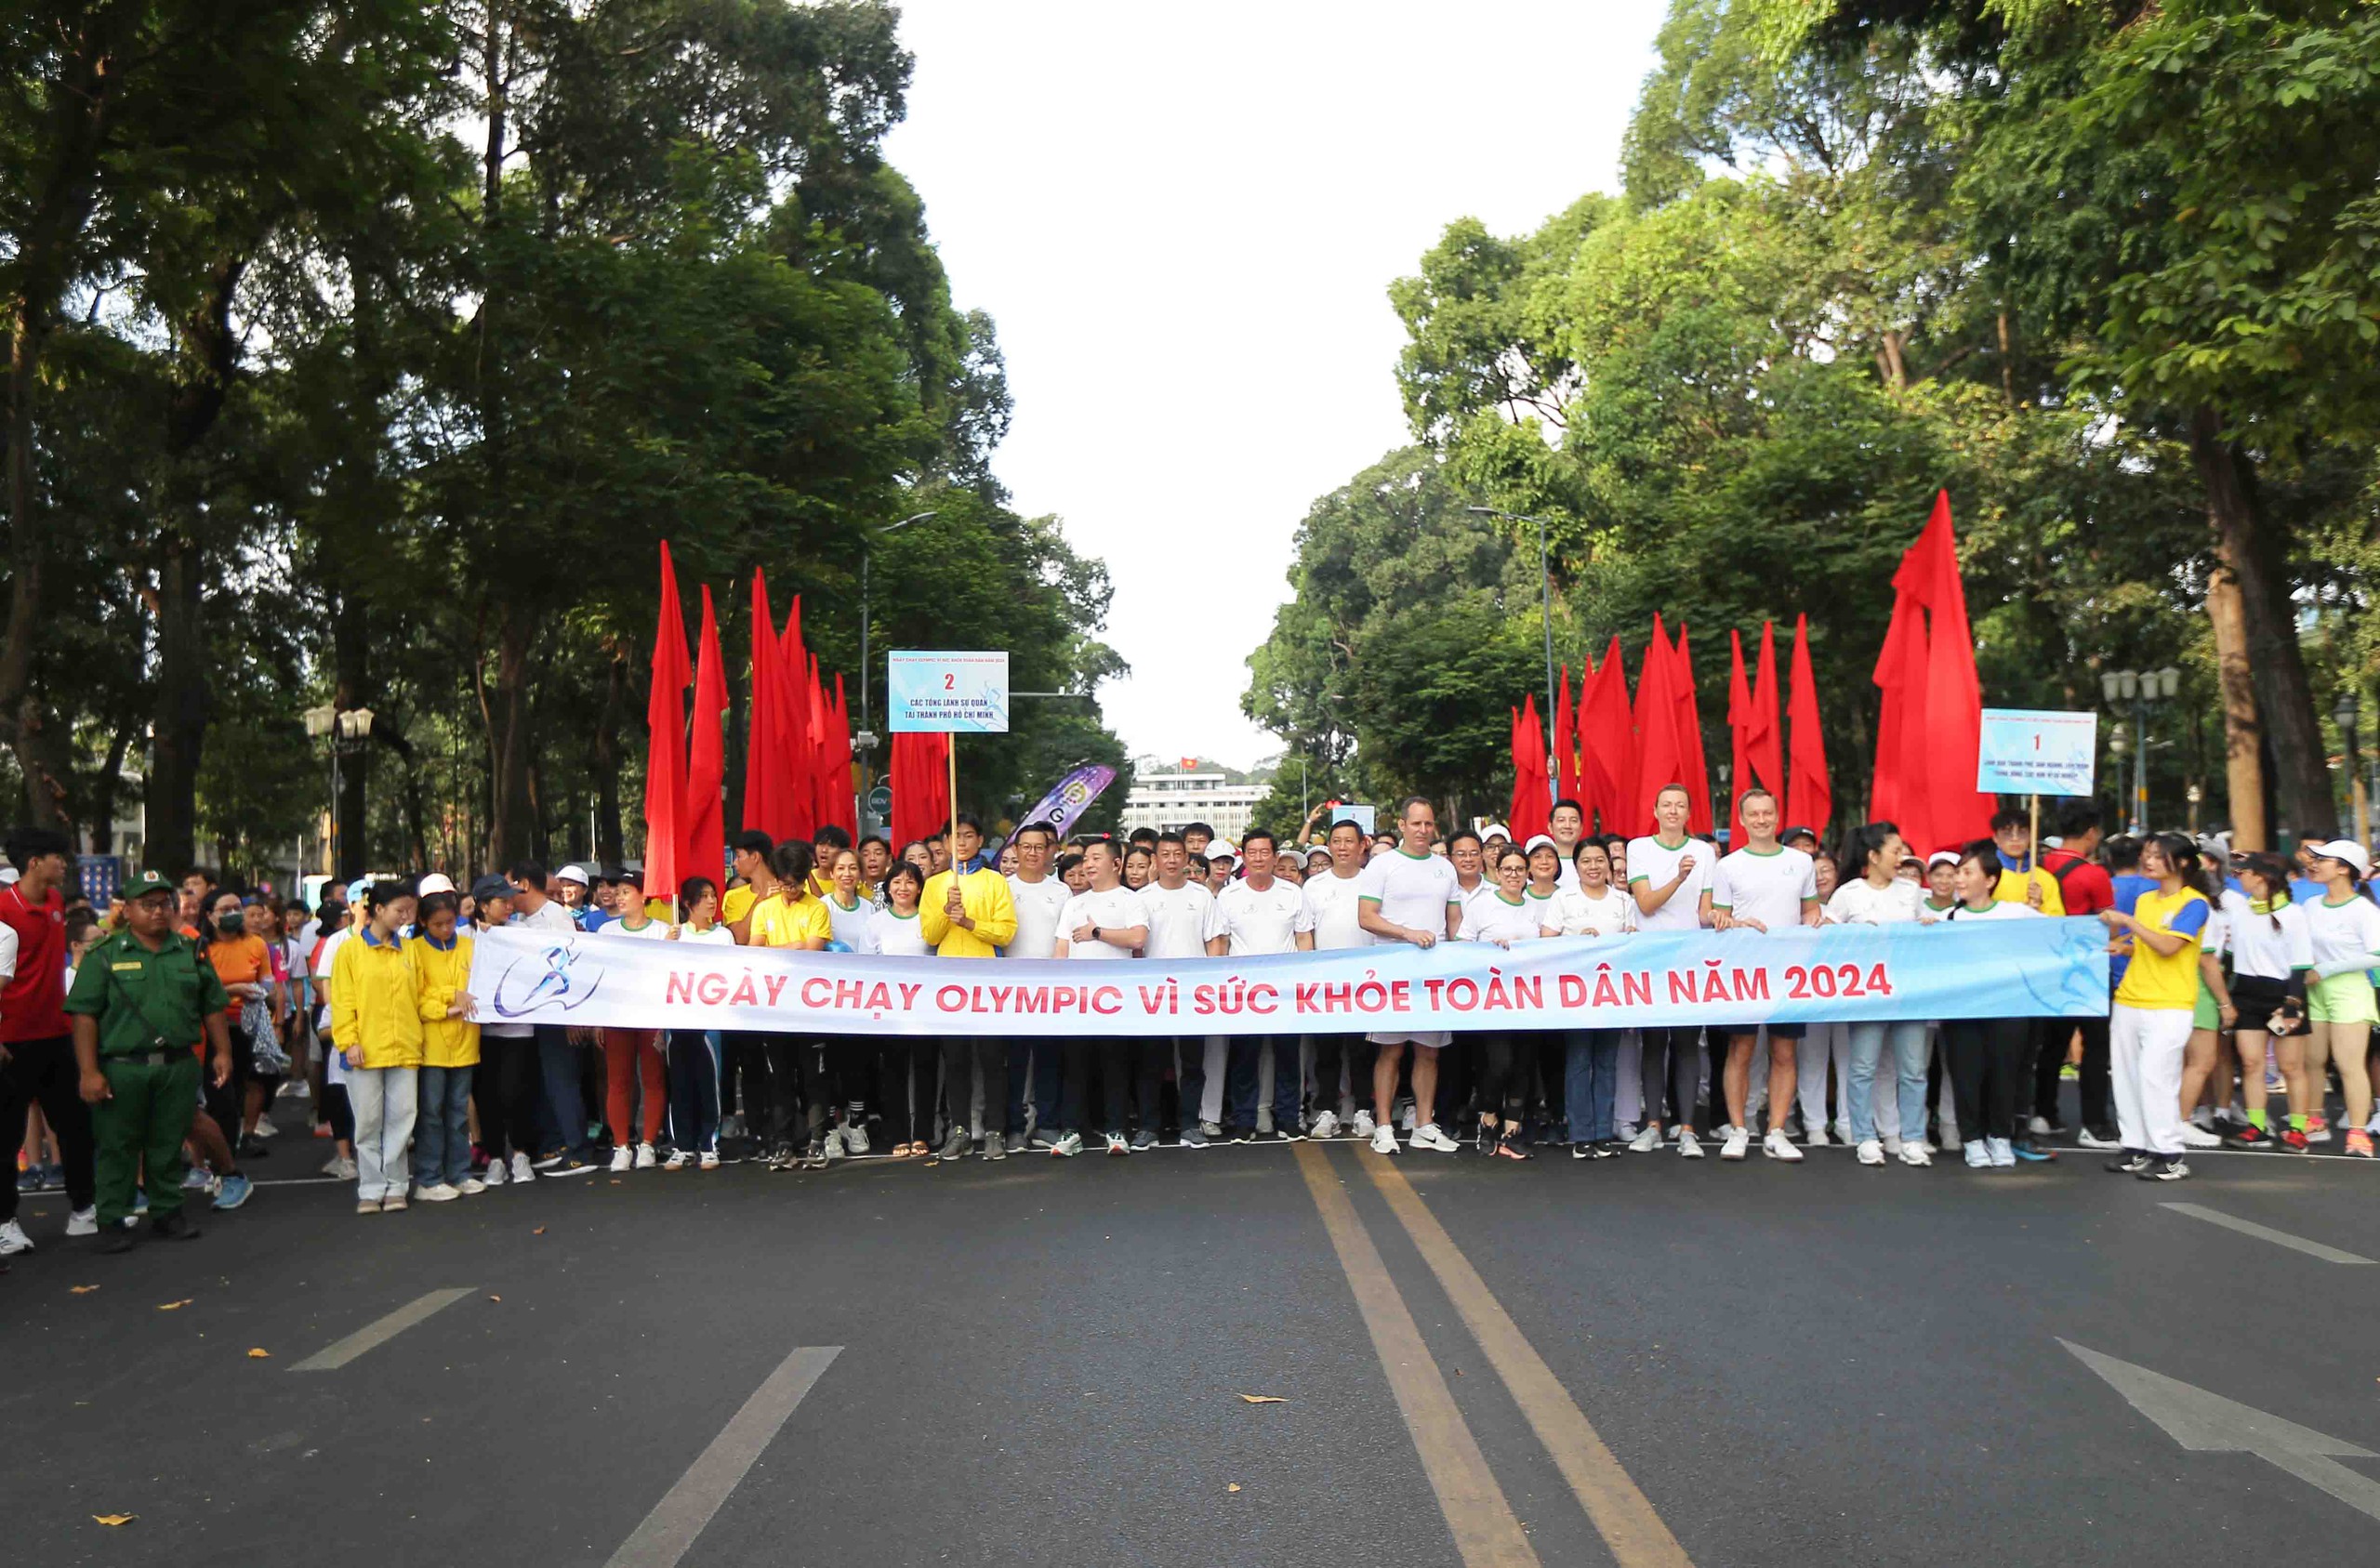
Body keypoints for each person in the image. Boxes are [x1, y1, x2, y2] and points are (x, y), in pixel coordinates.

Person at [65, 872, 232, 1253]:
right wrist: (89, 1071)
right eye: (148, 905)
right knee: (117, 1145)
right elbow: (84, 1016)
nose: (159, 912)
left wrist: (223, 1051)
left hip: (176, 1064)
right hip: (122, 1066)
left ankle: (167, 1211)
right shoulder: (105, 955)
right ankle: (111, 1218)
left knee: (168, 1141)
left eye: (165, 904)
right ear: (128, 910)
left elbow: (212, 1006)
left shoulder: (189, 950)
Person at [1710, 788, 1821, 1162]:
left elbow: (1810, 911)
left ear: (1777, 816)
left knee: (1784, 1051)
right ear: (1741, 820)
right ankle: (1739, 1129)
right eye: (1753, 814)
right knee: (1740, 1049)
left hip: (1789, 971)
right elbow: (1718, 917)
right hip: (1744, 970)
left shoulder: (1801, 862)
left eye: (1767, 813)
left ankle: (1776, 1131)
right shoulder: (1727, 866)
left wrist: (1813, 922)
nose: (1760, 820)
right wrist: (1733, 921)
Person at [2098, 832, 2215, 1181]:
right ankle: (2135, 1147)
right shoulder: (2147, 900)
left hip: (2169, 1005)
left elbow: (2168, 947)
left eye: (2156, 855)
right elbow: (2147, 945)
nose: (2147, 860)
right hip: (2130, 999)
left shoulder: (2194, 904)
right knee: (2126, 1077)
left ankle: (2169, 1152)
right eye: (2146, 854)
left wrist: (2128, 923)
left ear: (2180, 863)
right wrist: (2126, 947)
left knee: (2156, 1078)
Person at [2, 826, 97, 1254]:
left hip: (56, 1035)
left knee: (74, 1127)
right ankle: (4, 1223)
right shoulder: (3, 909)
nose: (64, 863)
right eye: (58, 857)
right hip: (10, 1042)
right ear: (34, 862)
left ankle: (84, 1209)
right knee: (7, 1136)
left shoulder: (58, 903)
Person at [1355, 796, 1463, 1155]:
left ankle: (1424, 1125)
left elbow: (1454, 923)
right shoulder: (1382, 865)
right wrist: (1407, 933)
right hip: (1392, 971)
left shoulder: (1445, 868)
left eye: (1428, 824)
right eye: (1416, 823)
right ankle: (1384, 1127)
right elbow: (1366, 917)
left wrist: (1475, 948)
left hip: (1434, 973)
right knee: (1391, 1050)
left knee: (1430, 1052)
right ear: (1401, 825)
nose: (1422, 830)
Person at [1827, 822, 1932, 1167]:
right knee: (1862, 1068)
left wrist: (1929, 926)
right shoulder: (1849, 893)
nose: (1901, 857)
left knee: (1913, 1070)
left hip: (1909, 992)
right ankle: (1865, 1137)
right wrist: (1853, 935)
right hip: (1868, 994)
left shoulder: (1912, 892)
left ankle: (1913, 1138)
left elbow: (1933, 927)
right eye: (1895, 851)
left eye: (1902, 851)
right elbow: (1826, 932)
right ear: (1873, 856)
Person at [921, 814, 1018, 1160]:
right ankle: (959, 1129)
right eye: (954, 837)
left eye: (968, 836)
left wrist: (970, 922)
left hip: (988, 980)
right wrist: (947, 913)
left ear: (980, 840)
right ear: (945, 843)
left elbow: (1005, 932)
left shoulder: (995, 882)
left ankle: (995, 1130)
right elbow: (930, 935)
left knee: (993, 1058)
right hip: (950, 982)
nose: (961, 843)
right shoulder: (934, 885)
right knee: (957, 1059)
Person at [1941, 841, 2043, 1169]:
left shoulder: (2015, 913)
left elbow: (2055, 936)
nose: (1959, 879)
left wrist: (2038, 909)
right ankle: (1972, 1139)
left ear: (1989, 880)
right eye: (1958, 872)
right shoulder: (1948, 918)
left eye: (1967, 872)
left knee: (2005, 1073)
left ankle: (2000, 1137)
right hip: (1963, 1011)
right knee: (1967, 1075)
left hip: (2008, 1008)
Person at [1629, 784, 1716, 1157]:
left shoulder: (1703, 852)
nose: (1673, 811)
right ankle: (1652, 1125)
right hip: (1651, 958)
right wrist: (1679, 878)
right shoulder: (1639, 848)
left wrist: (1727, 919)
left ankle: (1687, 1129)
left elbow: (1704, 910)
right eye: (1666, 804)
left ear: (1688, 812)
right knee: (1652, 1043)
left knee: (1686, 1044)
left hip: (1690, 958)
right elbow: (1646, 904)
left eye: (1681, 805)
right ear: (1655, 809)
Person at [1051, 840, 1150, 1156]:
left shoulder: (1130, 900)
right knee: (1075, 1066)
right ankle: (1071, 1131)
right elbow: (1061, 951)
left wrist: (1097, 932)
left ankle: (1116, 1129)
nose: (1088, 864)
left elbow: (1137, 938)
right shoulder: (1073, 903)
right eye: (1086, 859)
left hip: (1117, 999)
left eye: (1096, 858)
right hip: (1077, 999)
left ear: (1116, 864)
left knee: (1115, 1064)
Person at [332, 880, 424, 1214]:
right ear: (379, 910)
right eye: (400, 910)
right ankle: (371, 1188)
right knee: (368, 1122)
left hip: (405, 1048)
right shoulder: (349, 952)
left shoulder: (410, 950)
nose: (405, 917)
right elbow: (342, 1001)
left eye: (408, 911)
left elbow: (422, 996)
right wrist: (349, 1041)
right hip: (364, 1050)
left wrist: (449, 1002)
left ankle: (397, 1186)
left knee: (402, 1120)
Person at [1210, 829, 1305, 1145]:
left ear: (1276, 856)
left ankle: (1290, 1119)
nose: (1259, 858)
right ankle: (1244, 1121)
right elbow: (1221, 942)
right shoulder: (1229, 895)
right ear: (1245, 857)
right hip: (1244, 991)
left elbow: (1304, 939)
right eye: (1253, 852)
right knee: (1244, 1058)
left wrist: (1306, 979)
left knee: (1289, 1057)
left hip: (1287, 989)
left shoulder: (1292, 893)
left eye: (1265, 852)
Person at [2217, 852, 2313, 1151]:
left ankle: (2298, 1130)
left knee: (2291, 1066)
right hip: (2246, 994)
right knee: (2250, 1063)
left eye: (2242, 871)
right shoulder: (2240, 911)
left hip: (2284, 994)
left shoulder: (2293, 914)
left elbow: (2300, 965)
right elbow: (2230, 956)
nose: (2237, 876)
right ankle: (2257, 1126)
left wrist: (2291, 1004)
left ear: (2261, 877)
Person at [509, 862, 598, 1176]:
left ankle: (579, 1151)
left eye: (509, 885)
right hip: (535, 1014)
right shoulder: (520, 919)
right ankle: (557, 1142)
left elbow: (571, 965)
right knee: (544, 1081)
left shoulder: (556, 917)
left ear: (523, 884)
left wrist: (575, 1016)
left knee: (563, 1082)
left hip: (560, 1014)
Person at [747, 842, 831, 1169]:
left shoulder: (817, 908)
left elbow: (814, 950)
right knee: (779, 1078)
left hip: (811, 1007)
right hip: (775, 1006)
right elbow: (754, 952)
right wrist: (794, 945)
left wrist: (781, 949)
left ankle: (817, 1141)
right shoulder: (765, 909)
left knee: (814, 1077)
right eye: (785, 883)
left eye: (796, 883)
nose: (790, 889)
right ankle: (783, 1142)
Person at [2038, 800, 2118, 1144]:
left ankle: (2043, 1112)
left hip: (2045, 967)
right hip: (2087, 970)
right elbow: (2109, 925)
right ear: (2090, 832)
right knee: (2096, 1047)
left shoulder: (2037, 868)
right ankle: (2095, 1122)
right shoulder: (2094, 874)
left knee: (2050, 1047)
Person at [1457, 845, 1544, 1159]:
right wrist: (1489, 950)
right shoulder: (1482, 906)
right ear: (1497, 871)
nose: (1513, 875)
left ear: (1527, 873)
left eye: (1519, 869)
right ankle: (1488, 1118)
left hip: (1528, 999)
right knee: (1499, 1062)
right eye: (1507, 869)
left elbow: (1551, 948)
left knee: (1523, 1065)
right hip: (1491, 1001)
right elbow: (1463, 947)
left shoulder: (1536, 908)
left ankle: (1512, 1130)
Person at [2299, 839, 2380, 1158]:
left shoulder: (2363, 910)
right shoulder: (2311, 906)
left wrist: (2329, 969)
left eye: (2323, 860)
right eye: (2314, 859)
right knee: (2313, 1061)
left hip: (2350, 991)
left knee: (2349, 1064)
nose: (2314, 864)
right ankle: (2315, 1121)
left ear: (2344, 868)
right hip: (2314, 990)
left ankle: (2358, 1134)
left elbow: (2377, 955)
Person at [1298, 819, 1375, 1142]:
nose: (1343, 848)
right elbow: (1306, 932)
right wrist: (1312, 972)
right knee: (1326, 1051)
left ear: (1361, 846)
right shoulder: (1314, 886)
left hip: (1368, 981)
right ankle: (1326, 1110)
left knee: (1363, 1051)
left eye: (1349, 841)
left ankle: (1363, 1111)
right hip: (1325, 982)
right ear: (1329, 846)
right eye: (1337, 841)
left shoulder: (1373, 882)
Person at [1556, 839, 1634, 1158]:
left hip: (1611, 993)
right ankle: (1580, 1135)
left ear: (1610, 865)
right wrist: (1575, 941)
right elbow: (1546, 942)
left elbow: (1635, 942)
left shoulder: (1623, 900)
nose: (1593, 866)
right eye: (1586, 861)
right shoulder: (1564, 899)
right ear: (1576, 866)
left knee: (1605, 1063)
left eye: (1599, 860)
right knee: (1578, 1062)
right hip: (1575, 995)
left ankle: (1603, 1133)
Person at [1143, 831, 1221, 1143]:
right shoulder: (1143, 898)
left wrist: (1208, 981)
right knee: (1152, 1063)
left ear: (1187, 859)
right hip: (1152, 994)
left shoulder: (1201, 896)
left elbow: (1214, 940)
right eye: (1165, 854)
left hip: (1193, 993)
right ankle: (1149, 1126)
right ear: (1155, 860)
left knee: (1192, 1063)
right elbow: (1136, 947)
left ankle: (1190, 1123)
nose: (1172, 860)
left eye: (1178, 854)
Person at [407, 890, 483, 1201]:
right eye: (437, 924)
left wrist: (455, 999)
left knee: (458, 1113)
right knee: (431, 1114)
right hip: (431, 1045)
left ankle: (459, 1172)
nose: (445, 929)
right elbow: (414, 998)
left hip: (466, 1041)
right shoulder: (413, 950)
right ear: (423, 922)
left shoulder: (470, 945)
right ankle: (428, 1177)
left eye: (450, 922)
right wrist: (449, 999)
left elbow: (481, 984)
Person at [598, 868, 671, 1171]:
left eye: (626, 891)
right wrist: (597, 1020)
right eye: (617, 892)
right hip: (617, 1016)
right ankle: (621, 1145)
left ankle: (649, 1144)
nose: (619, 897)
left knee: (653, 1080)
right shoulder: (607, 932)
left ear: (644, 896)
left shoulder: (663, 930)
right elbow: (599, 979)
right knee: (618, 1081)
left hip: (652, 1016)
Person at [466, 875, 536, 1186]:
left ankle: (521, 1154)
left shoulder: (522, 932)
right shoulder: (464, 937)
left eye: (511, 900)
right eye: (502, 901)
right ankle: (495, 1157)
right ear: (482, 905)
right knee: (487, 1096)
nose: (510, 906)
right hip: (477, 1032)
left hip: (518, 1029)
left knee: (515, 1093)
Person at [1003, 821, 1069, 1149]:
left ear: (1049, 851)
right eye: (1026, 847)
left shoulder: (1061, 891)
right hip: (1011, 988)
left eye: (1039, 847)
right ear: (1015, 850)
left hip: (1051, 988)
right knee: (1014, 1060)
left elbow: (1066, 938)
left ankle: (1047, 1123)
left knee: (1049, 1058)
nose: (1032, 853)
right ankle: (1014, 1127)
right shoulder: (1002, 888)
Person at [661, 876, 733, 1169]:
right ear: (688, 903)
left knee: (708, 1083)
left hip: (709, 1021)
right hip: (677, 1021)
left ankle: (708, 1144)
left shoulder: (723, 936)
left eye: (714, 895)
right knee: (679, 1084)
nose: (712, 901)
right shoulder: (675, 935)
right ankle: (683, 1145)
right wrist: (665, 947)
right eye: (704, 896)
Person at [866, 863, 935, 1159]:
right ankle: (898, 1134)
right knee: (893, 1072)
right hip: (890, 1009)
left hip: (927, 1009)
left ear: (920, 888)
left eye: (910, 882)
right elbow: (864, 966)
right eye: (897, 881)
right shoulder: (876, 922)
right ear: (888, 887)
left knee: (926, 1072)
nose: (903, 887)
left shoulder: (930, 920)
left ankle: (923, 1134)